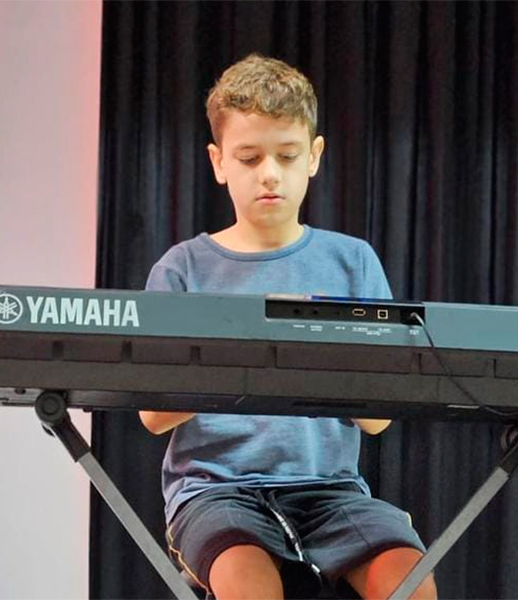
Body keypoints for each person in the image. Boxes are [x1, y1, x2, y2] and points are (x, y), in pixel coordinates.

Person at [140, 54, 437, 600]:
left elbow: (378, 420)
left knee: (410, 582)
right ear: (218, 162)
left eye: (287, 155)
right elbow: (153, 415)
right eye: (249, 158)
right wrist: (251, 359)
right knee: (248, 583)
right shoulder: (182, 268)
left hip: (330, 492)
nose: (270, 174)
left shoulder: (352, 261)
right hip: (215, 492)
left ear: (315, 156)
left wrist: (312, 355)